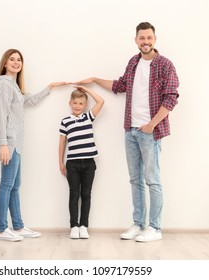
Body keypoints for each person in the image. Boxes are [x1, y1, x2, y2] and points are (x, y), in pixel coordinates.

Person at [76, 22, 179, 242]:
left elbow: (171, 98)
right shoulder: (133, 62)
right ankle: (139, 224)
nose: (146, 41)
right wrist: (93, 80)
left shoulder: (165, 65)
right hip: (130, 130)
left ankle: (155, 228)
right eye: (142, 38)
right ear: (136, 40)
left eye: (149, 37)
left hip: (151, 132)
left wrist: (152, 124)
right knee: (135, 180)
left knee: (153, 180)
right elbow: (120, 85)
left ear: (155, 39)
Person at [0, 48, 67, 241]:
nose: (16, 63)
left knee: (15, 186)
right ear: (4, 63)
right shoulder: (3, 86)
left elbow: (32, 100)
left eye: (19, 60)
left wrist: (49, 87)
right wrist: (3, 144)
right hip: (9, 144)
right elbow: (0, 116)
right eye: (12, 59)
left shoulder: (14, 87)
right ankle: (2, 229)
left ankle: (17, 226)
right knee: (6, 185)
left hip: (17, 143)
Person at [59, 85, 104, 239]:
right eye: (75, 103)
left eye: (81, 103)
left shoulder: (88, 117)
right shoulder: (65, 121)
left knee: (86, 195)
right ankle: (74, 226)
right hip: (72, 164)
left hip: (89, 163)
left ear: (85, 105)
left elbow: (101, 101)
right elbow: (62, 143)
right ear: (70, 103)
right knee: (74, 194)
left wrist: (86, 89)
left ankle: (84, 225)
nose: (77, 106)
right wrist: (61, 163)